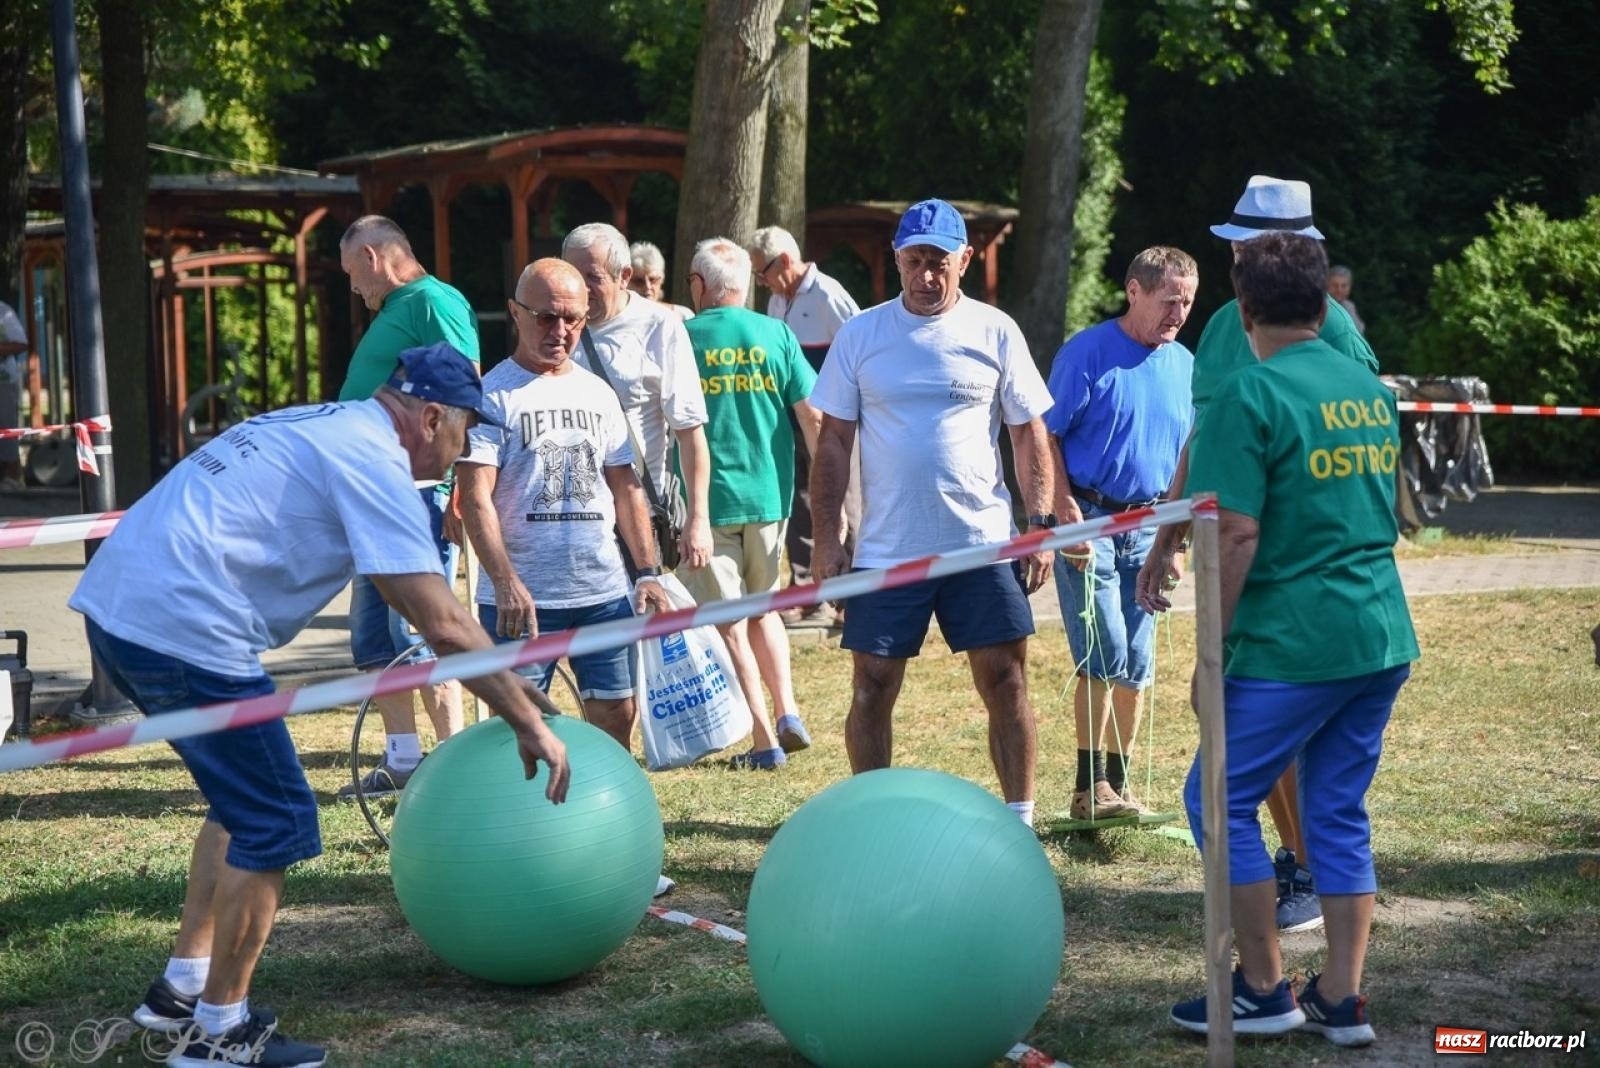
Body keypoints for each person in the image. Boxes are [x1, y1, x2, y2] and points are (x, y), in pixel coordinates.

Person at [69, 345, 572, 1068]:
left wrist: (512, 690)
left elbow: (412, 601)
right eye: (465, 432)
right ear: (431, 418)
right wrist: (526, 724)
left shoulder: (332, 424)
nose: (465, 451)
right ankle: (217, 1035)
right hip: (183, 627)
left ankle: (181, 989)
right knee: (276, 819)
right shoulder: (376, 466)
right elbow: (441, 623)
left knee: (238, 800)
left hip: (121, 610)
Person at [1166, 232, 1417, 1046]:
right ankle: (1342, 998)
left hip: (1295, 642)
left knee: (1218, 799)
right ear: (1325, 304)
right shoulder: (1369, 388)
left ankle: (1264, 987)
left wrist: (1213, 652)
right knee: (1336, 808)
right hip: (1378, 632)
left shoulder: (1251, 394)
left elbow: (1234, 536)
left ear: (1243, 312)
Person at [1137, 175, 1379, 934]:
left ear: (1293, 251)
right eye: (1235, 246)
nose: (1235, 256)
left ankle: (1303, 877)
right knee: (1239, 724)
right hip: (1238, 555)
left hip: (1294, 570)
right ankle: (1297, 863)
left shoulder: (1333, 334)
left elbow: (1350, 459)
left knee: (1259, 730)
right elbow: (1204, 435)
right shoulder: (1221, 327)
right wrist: (1167, 537)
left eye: (1246, 245)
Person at [809, 198, 1057, 827]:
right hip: (889, 548)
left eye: (939, 263)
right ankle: (874, 818)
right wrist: (825, 539)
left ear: (964, 261)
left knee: (1005, 680)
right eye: (914, 261)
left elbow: (1028, 432)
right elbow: (833, 440)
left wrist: (1042, 526)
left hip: (981, 541)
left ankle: (1019, 820)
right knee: (872, 684)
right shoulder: (862, 334)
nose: (925, 276)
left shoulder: (995, 331)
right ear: (896, 260)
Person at [457, 258, 672, 752]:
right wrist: (507, 582)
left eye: (573, 318)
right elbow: (474, 498)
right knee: (520, 729)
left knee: (617, 714)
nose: (561, 330)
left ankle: (603, 822)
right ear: (515, 312)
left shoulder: (598, 393)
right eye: (546, 317)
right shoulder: (492, 395)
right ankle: (526, 825)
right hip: (523, 603)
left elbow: (625, 487)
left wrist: (647, 572)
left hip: (602, 592)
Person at [1046, 246, 1197, 821]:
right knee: (1103, 652)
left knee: (1136, 661)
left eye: (1186, 302)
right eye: (1169, 300)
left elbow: (1189, 454)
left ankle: (1120, 785)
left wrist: (1175, 541)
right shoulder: (1086, 354)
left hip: (1153, 527)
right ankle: (1089, 790)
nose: (1178, 313)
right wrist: (1064, 514)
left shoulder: (1185, 364)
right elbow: (1046, 438)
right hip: (1093, 520)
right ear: (1134, 291)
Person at [335, 215, 477, 799]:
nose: (353, 289)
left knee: (424, 632)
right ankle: (402, 762)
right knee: (375, 640)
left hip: (418, 496)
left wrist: (463, 487)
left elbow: (464, 388)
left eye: (352, 274)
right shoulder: (401, 308)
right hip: (375, 496)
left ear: (373, 256)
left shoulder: (432, 300)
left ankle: (457, 768)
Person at [681, 237, 823, 768]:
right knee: (765, 609)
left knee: (730, 623)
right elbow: (812, 417)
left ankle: (764, 742)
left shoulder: (681, 338)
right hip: (771, 497)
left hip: (709, 503)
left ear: (699, 285)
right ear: (742, 285)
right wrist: (825, 497)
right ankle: (788, 710)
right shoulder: (777, 333)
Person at [561, 223, 712, 573]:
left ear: (624, 275)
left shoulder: (659, 326)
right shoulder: (555, 324)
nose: (580, 288)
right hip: (566, 519)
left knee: (639, 623)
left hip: (635, 520)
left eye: (592, 277)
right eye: (572, 274)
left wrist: (698, 519)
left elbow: (690, 432)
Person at [748, 224, 861, 627]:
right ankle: (808, 591)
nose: (761, 283)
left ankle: (853, 596)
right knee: (800, 499)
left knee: (845, 499)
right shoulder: (777, 303)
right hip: (792, 417)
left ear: (784, 261)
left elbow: (859, 350)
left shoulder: (828, 294)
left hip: (836, 419)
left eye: (762, 273)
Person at [627, 240, 694, 321]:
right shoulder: (618, 319)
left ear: (662, 279)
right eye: (639, 281)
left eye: (653, 280)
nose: (647, 286)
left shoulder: (682, 315)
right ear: (626, 282)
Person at [0, 298, 28, 491]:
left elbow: (21, 343)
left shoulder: (3, 311)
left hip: (4, 380)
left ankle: (13, 477)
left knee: (6, 426)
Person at [1328, 265, 1366, 334]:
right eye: (1335, 285)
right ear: (1327, 285)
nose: (1339, 290)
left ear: (1350, 287)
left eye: (1344, 286)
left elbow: (1359, 332)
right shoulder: (1321, 307)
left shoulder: (1350, 306)